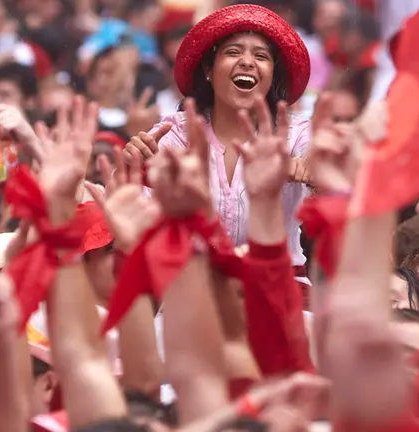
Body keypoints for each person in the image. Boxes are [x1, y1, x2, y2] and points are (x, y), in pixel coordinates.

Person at [124, 4, 313, 286]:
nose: (247, 62)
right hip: (193, 286)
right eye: (233, 52)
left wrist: (312, 171)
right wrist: (135, 168)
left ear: (273, 77)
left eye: (261, 56)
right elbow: (133, 213)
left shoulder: (296, 133)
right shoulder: (175, 132)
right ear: (208, 71)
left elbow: (325, 170)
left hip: (280, 285)